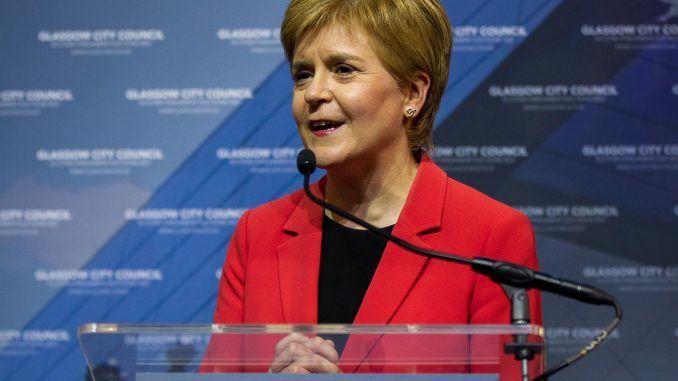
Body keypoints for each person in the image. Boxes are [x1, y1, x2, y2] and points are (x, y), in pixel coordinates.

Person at [208, 0, 542, 374]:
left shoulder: (490, 235)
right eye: (303, 74)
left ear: (413, 93)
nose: (313, 93)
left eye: (343, 70)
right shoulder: (258, 233)